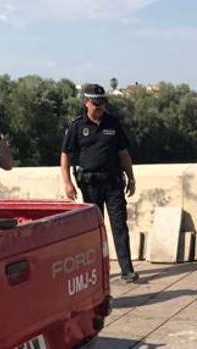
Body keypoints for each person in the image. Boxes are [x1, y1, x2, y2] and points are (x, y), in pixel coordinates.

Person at [60, 84, 139, 283]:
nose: (100, 107)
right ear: (86, 103)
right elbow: (65, 155)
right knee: (94, 230)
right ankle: (97, 270)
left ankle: (127, 270)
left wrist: (131, 177)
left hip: (113, 183)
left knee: (119, 226)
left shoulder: (113, 123)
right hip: (90, 185)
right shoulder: (77, 126)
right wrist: (67, 183)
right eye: (96, 104)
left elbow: (123, 153)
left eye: (102, 103)